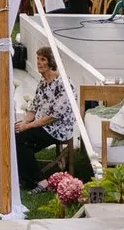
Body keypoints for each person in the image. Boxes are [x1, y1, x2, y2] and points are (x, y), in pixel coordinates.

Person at [9, 47, 79, 188]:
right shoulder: (43, 82)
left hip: (57, 128)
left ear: (51, 62)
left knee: (19, 139)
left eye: (43, 59)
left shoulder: (64, 84)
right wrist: (23, 123)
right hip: (41, 124)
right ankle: (25, 177)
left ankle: (39, 181)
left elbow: (53, 117)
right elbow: (33, 108)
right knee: (12, 132)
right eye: (38, 59)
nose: (39, 63)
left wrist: (27, 127)